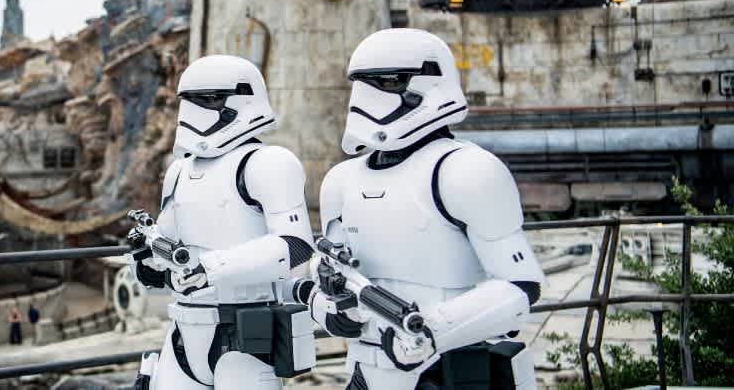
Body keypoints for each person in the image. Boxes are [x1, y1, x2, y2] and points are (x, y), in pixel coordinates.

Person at [308, 29, 545, 389]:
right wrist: (327, 308)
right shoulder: (342, 180)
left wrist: (431, 330)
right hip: (364, 369)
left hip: (445, 367)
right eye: (363, 84)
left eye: (386, 82)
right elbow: (328, 263)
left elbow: (520, 286)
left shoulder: (466, 170)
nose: (368, 98)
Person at [130, 55, 317, 390]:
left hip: (245, 330)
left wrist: (210, 267)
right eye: (191, 101)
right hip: (183, 331)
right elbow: (164, 259)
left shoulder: (268, 163)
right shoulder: (180, 171)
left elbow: (296, 246)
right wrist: (145, 257)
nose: (196, 111)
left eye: (209, 100)